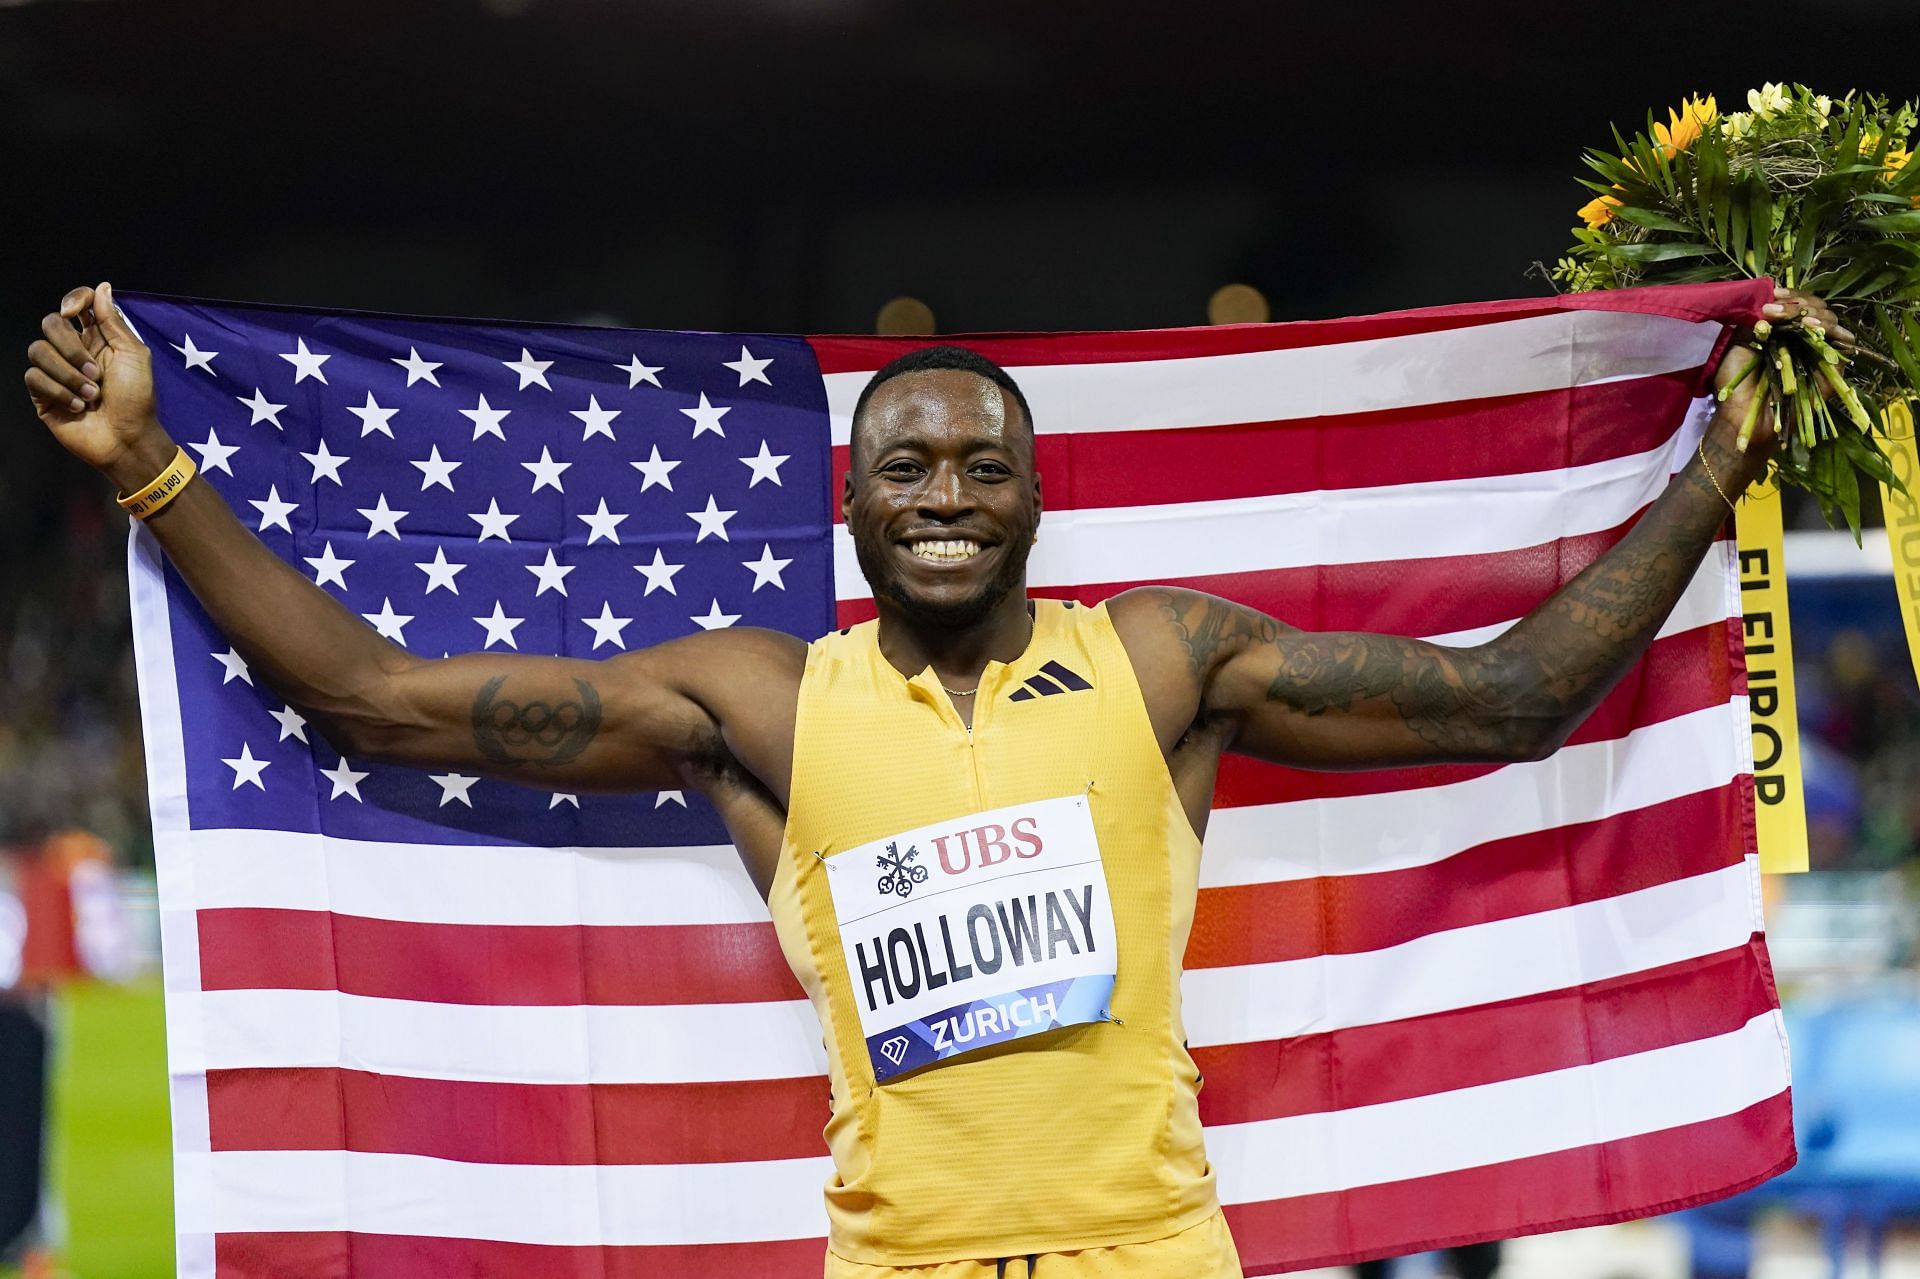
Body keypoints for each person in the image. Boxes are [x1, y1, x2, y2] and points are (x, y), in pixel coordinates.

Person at [24, 281, 1845, 1278]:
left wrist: (1711, 472)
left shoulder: (1159, 660)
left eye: (983, 463)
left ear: (1038, 495)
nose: (949, 493)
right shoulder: (765, 701)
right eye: (909, 466)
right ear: (854, 501)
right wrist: (153, 467)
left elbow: (1510, 700)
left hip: (1157, 1258)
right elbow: (377, 702)